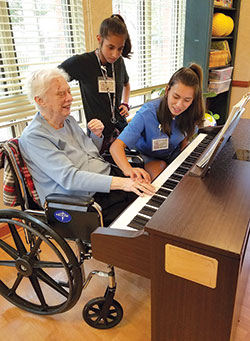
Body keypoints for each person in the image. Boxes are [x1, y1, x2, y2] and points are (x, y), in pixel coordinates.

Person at [19, 68, 155, 226]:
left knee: (150, 198)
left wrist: (95, 136)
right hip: (82, 201)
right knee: (141, 221)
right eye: (61, 94)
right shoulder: (35, 137)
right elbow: (70, 179)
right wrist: (124, 183)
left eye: (69, 91)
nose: (70, 98)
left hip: (104, 180)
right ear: (40, 100)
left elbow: (91, 153)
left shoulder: (68, 120)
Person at [110, 63, 204, 180]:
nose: (179, 105)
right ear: (167, 90)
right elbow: (116, 147)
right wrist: (129, 170)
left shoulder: (191, 112)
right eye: (176, 97)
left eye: (187, 100)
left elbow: (186, 134)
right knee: (161, 170)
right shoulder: (147, 113)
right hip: (147, 156)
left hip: (172, 154)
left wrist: (185, 147)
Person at [59, 14, 132, 152]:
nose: (115, 54)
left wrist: (125, 103)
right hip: (97, 134)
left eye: (120, 48)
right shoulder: (82, 63)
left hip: (120, 128)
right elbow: (54, 80)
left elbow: (126, 84)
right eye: (110, 47)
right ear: (99, 39)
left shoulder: (119, 62)